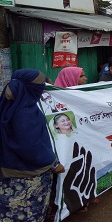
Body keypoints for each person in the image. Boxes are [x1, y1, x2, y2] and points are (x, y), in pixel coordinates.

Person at [0, 69, 65, 221]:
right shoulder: (25, 113)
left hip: (8, 170)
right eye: (41, 85)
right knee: (28, 214)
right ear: (32, 88)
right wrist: (54, 164)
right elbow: (30, 146)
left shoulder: (8, 105)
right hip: (28, 176)